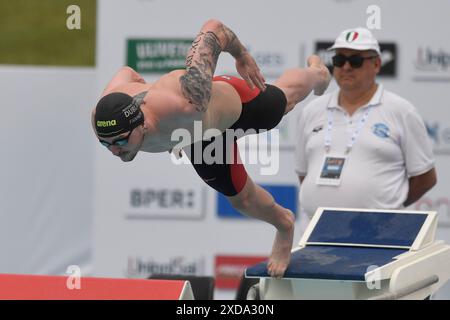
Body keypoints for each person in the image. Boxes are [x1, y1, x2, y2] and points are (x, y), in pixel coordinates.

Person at [92, 19, 330, 278]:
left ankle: (317, 73)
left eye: (121, 141)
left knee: (285, 99)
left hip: (236, 107)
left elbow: (214, 28)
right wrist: (178, 136)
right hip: (198, 139)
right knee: (242, 200)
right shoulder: (101, 117)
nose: (115, 151)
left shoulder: (187, 101)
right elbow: (127, 72)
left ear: (142, 124)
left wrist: (241, 54)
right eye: (106, 145)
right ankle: (285, 224)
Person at [294, 27, 436, 228]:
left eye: (356, 60)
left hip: (379, 233)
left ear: (377, 64)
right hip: (316, 231)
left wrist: (387, 210)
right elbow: (303, 173)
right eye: (339, 60)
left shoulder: (401, 111)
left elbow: (425, 177)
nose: (346, 67)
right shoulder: (312, 110)